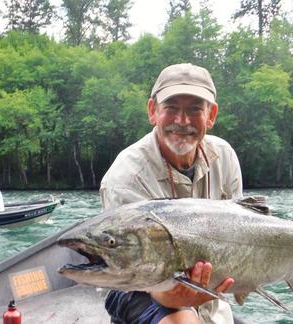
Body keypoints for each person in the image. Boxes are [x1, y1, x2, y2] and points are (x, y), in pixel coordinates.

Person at [100, 63, 241, 324]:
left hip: (208, 294)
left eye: (195, 110)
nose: (182, 121)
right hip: (135, 286)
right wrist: (174, 300)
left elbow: (243, 229)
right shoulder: (126, 177)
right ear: (153, 111)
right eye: (171, 108)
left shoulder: (225, 156)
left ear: (211, 115)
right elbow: (135, 271)